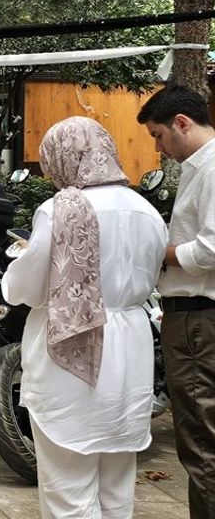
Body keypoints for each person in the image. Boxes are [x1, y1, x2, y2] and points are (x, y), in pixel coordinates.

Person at [4, 117, 166, 518]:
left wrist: (19, 264)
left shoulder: (60, 209)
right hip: (131, 346)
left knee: (67, 486)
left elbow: (27, 287)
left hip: (70, 348)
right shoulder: (145, 209)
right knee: (116, 483)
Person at [137, 83, 215, 516]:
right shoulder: (197, 167)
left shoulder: (212, 166)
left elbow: (210, 249)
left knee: (201, 441)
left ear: (181, 123)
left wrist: (156, 251)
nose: (159, 148)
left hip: (200, 317)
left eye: (158, 135)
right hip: (190, 314)